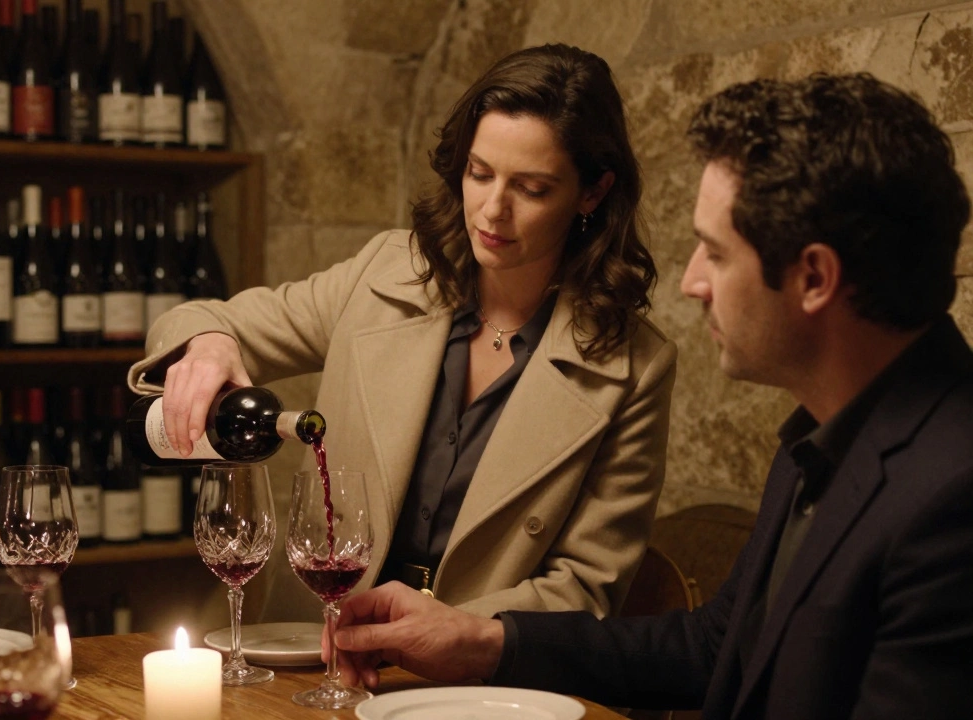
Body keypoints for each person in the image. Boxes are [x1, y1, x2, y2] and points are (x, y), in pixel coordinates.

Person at [331, 73, 973, 719]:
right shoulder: (823, 432)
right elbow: (713, 647)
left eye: (716, 253)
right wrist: (480, 641)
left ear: (813, 277)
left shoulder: (953, 498)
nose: (692, 282)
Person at [129, 43, 677, 620]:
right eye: (479, 173)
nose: (492, 210)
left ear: (592, 192)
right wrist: (212, 344)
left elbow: (585, 590)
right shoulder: (385, 273)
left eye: (532, 188)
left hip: (475, 687)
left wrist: (449, 635)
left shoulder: (635, 367)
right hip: (317, 648)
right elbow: (195, 319)